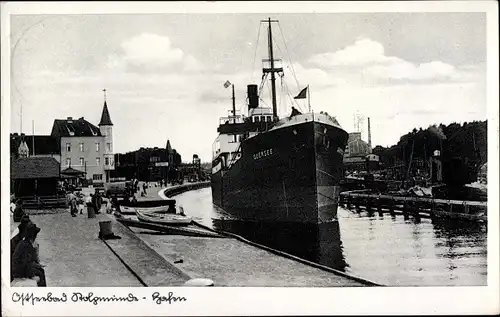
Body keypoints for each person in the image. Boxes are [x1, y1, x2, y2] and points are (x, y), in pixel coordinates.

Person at [11, 223, 47, 287]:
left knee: (41, 270)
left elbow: (28, 262)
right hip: (19, 273)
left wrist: (38, 265)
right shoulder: (27, 246)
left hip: (19, 269)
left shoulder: (24, 243)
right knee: (40, 274)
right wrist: (32, 276)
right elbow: (27, 264)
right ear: (33, 236)